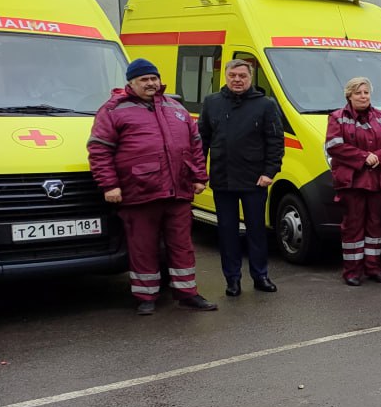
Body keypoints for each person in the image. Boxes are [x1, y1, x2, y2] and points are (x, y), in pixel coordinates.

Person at [87, 58, 217, 315]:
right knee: (142, 247)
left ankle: (187, 293)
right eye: (144, 79)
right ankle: (146, 296)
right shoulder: (113, 110)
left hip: (178, 190)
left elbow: (195, 144)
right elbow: (99, 150)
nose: (150, 83)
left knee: (182, 245)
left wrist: (200, 177)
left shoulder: (174, 107)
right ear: (131, 83)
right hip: (140, 193)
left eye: (153, 78)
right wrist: (109, 185)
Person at [199, 59, 284, 296]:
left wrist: (269, 172)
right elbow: (201, 141)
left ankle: (260, 276)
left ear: (250, 78)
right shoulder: (212, 103)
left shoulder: (265, 105)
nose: (237, 80)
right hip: (222, 180)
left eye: (242, 76)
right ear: (225, 76)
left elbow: (276, 141)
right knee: (227, 233)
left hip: (254, 180)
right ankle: (232, 280)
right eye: (233, 75)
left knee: (256, 231)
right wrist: (198, 174)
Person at [325, 77, 381, 286]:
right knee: (353, 226)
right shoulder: (337, 117)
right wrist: (363, 157)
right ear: (349, 95)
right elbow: (334, 146)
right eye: (358, 93)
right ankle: (352, 271)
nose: (363, 96)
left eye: (366, 92)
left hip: (378, 180)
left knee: (376, 225)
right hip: (352, 182)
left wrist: (379, 155)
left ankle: (373, 267)